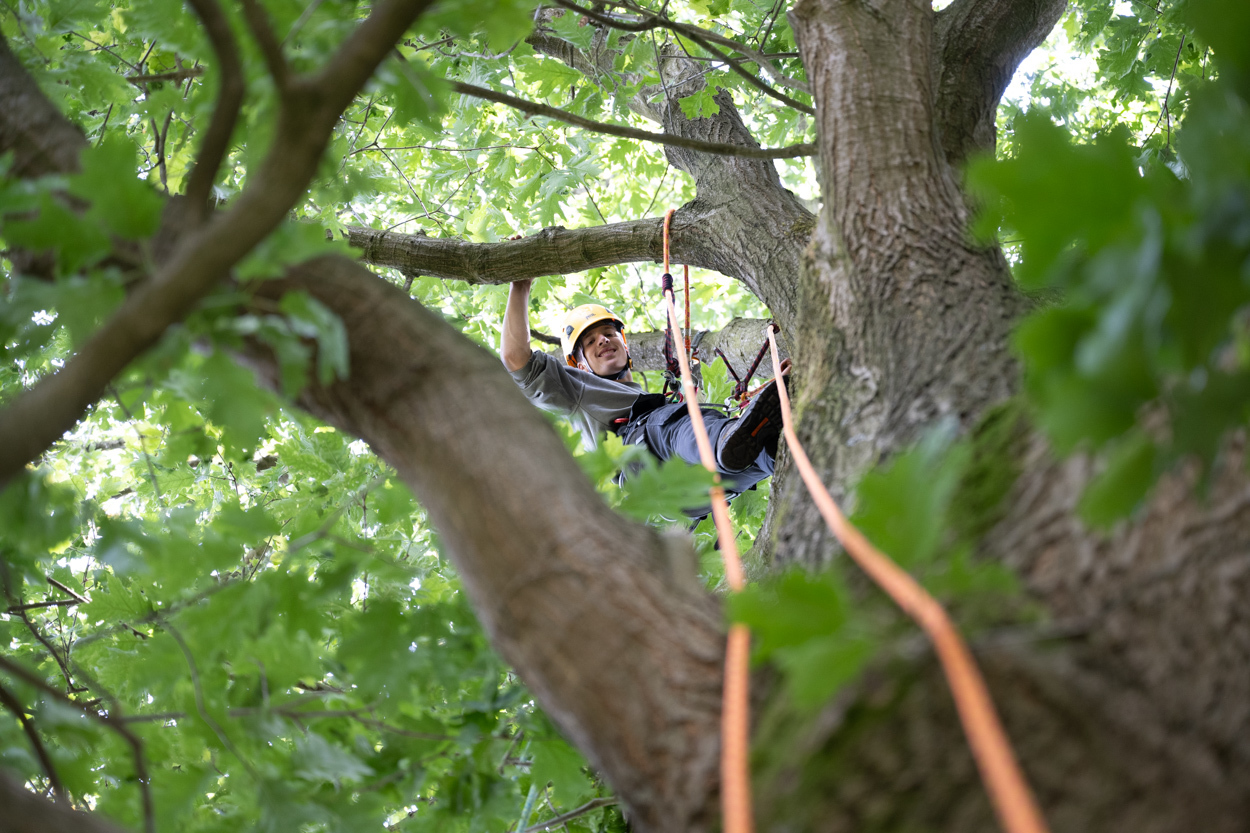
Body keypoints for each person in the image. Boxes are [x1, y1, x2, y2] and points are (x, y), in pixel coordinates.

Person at [500, 279, 784, 498]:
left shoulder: (637, 396)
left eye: (609, 334)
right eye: (590, 341)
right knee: (674, 421)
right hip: (648, 461)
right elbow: (517, 360)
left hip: (699, 492)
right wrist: (521, 286)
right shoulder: (574, 390)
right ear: (579, 365)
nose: (602, 340)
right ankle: (725, 438)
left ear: (624, 345)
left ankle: (779, 446)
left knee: (766, 454)